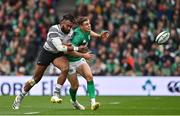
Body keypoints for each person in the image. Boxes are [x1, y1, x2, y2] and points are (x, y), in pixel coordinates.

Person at [12, 14, 89, 110]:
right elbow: (60, 47)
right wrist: (78, 48)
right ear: (62, 23)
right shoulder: (54, 30)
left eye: (71, 26)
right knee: (35, 79)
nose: (69, 28)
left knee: (65, 68)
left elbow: (66, 45)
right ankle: (20, 96)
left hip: (58, 54)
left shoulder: (71, 32)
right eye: (67, 25)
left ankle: (56, 94)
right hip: (47, 53)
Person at [50, 16, 109, 110]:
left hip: (79, 60)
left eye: (89, 23)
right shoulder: (77, 36)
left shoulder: (86, 31)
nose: (89, 25)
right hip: (70, 61)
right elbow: (69, 51)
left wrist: (99, 36)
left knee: (89, 77)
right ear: (81, 26)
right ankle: (74, 101)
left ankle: (93, 102)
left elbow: (90, 33)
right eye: (86, 24)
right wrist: (84, 55)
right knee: (75, 86)